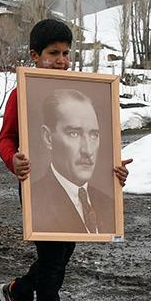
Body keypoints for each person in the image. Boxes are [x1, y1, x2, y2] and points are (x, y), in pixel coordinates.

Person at [0, 19, 132, 301]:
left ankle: (18, 291)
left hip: (77, 192)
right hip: (37, 187)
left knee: (60, 255)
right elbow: (6, 139)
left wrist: (114, 171)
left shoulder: (83, 90)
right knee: (54, 257)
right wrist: (13, 160)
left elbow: (103, 142)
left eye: (66, 53)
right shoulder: (22, 93)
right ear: (34, 55)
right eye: (53, 53)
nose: (61, 60)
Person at [30, 89, 115, 234]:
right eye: (74, 133)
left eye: (94, 135)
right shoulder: (35, 200)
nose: (88, 150)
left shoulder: (108, 203)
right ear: (48, 138)